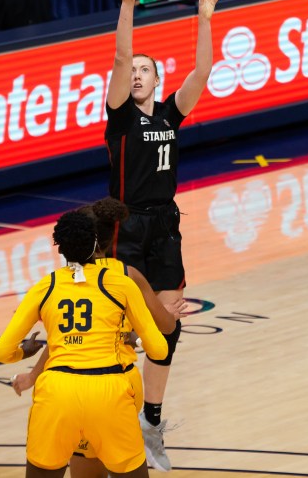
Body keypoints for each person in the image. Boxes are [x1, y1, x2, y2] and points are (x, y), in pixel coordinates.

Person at [101, 0, 220, 472]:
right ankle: (107, 416)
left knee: (167, 326)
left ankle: (151, 420)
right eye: (132, 72)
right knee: (121, 326)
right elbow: (121, 54)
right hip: (124, 226)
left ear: (158, 80)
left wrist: (204, 17)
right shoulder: (121, 115)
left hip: (166, 225)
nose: (135, 74)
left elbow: (203, 73)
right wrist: (128, 5)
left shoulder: (170, 115)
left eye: (145, 71)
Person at [10, 198, 188, 478]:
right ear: (108, 238)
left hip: (69, 383)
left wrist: (33, 375)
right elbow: (164, 331)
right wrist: (166, 316)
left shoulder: (59, 280)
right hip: (116, 383)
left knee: (84, 463)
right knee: (119, 460)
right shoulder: (127, 275)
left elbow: (64, 342)